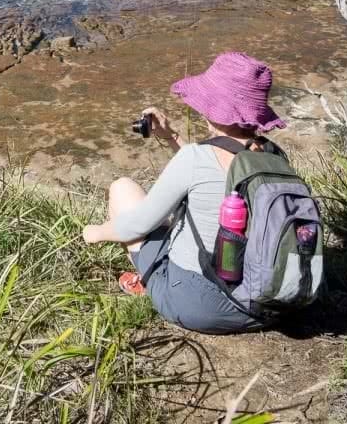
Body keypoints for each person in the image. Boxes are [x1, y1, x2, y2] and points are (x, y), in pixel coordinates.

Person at [82, 51, 287, 334]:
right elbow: (219, 171)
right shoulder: (274, 156)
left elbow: (137, 225)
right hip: (272, 305)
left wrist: (94, 232)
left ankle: (151, 283)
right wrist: (172, 137)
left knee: (123, 189)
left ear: (212, 108)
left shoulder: (195, 158)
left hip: (203, 306)